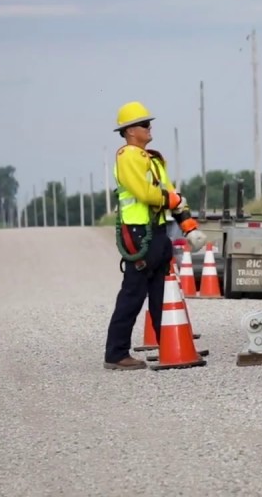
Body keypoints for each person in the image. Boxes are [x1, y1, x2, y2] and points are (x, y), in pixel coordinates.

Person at [103, 101, 199, 370]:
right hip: (139, 233)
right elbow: (147, 194)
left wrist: (188, 222)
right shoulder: (128, 156)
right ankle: (116, 353)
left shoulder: (152, 159)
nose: (149, 128)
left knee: (163, 293)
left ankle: (170, 343)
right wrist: (172, 198)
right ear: (130, 131)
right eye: (145, 124)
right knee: (133, 295)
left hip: (156, 231)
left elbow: (170, 193)